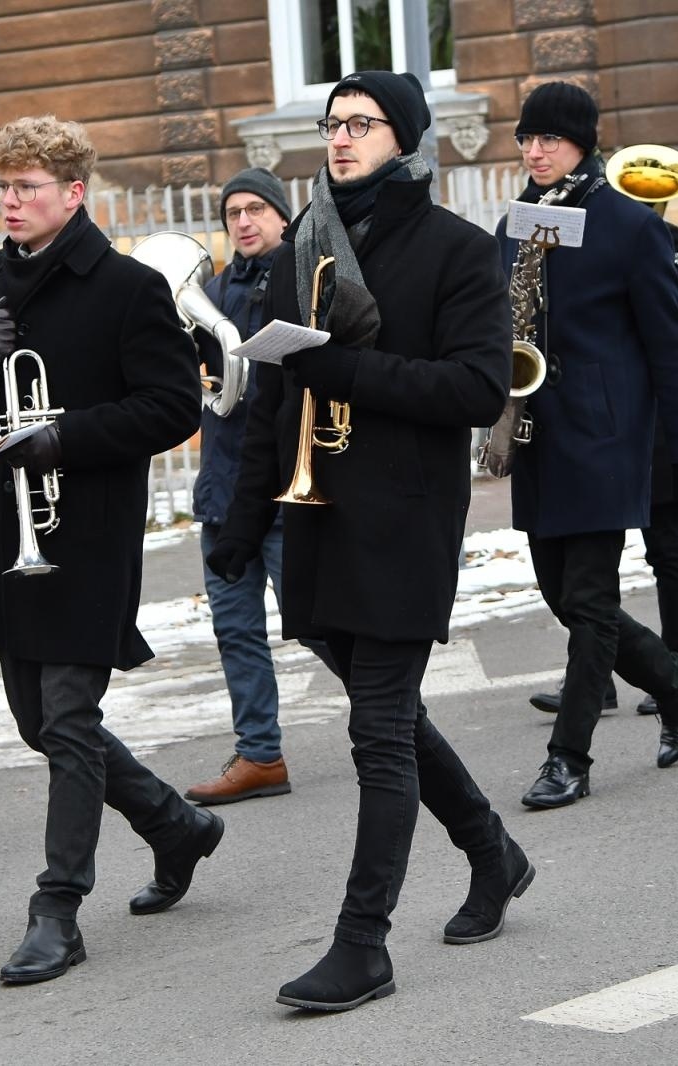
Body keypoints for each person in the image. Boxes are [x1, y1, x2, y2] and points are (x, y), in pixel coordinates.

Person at [212, 71, 532, 1012]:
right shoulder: (300, 243)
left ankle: (363, 946)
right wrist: (242, 518)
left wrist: (342, 367)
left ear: (407, 138)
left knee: (378, 729)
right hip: (315, 516)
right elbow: (274, 392)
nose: (342, 138)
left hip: (404, 518)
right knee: (388, 713)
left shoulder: (459, 252)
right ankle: (492, 850)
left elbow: (477, 392)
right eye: (333, 123)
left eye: (363, 123)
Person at [0, 115, 220, 985]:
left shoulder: (127, 288)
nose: (10, 203)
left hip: (84, 529)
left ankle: (57, 908)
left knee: (66, 715)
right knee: (38, 722)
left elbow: (174, 407)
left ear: (75, 193)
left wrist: (65, 438)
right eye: (3, 188)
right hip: (6, 530)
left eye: (28, 188)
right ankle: (175, 824)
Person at [496, 81, 678, 810]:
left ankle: (570, 757)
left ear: (582, 142)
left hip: (606, 436)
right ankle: (673, 676)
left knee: (589, 605)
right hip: (537, 435)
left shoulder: (629, 224)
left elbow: (667, 345)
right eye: (527, 140)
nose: (536, 151)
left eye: (549, 140)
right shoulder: (518, 222)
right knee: (561, 595)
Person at [184, 167, 338, 805]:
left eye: (255, 210)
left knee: (318, 623)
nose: (243, 222)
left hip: (280, 487)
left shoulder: (302, 283)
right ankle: (260, 756)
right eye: (232, 214)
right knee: (235, 630)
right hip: (222, 491)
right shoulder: (210, 293)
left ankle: (397, 720)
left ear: (281, 217)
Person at [530, 208, 678, 717]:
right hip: (598, 422)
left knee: (666, 550)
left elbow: (671, 317)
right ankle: (598, 679)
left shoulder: (664, 239)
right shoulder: (568, 235)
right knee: (588, 574)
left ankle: (675, 662)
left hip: (656, 424)